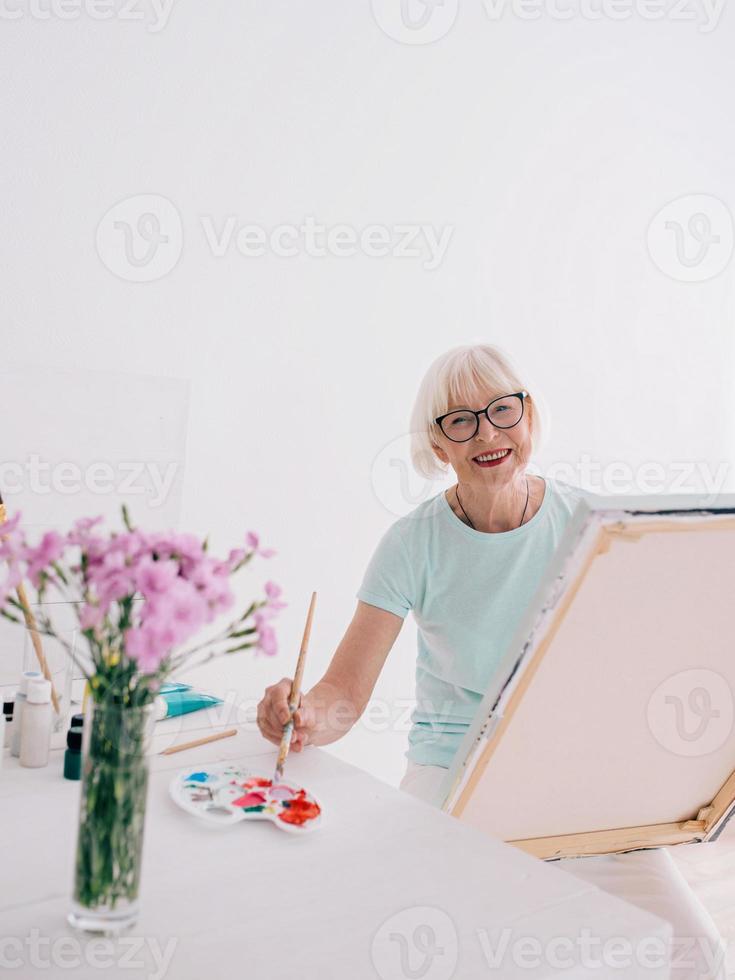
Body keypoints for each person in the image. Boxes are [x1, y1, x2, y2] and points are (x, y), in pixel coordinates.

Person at [257, 343, 727, 979]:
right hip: (451, 768)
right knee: (432, 938)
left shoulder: (592, 524)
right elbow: (344, 692)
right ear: (438, 444)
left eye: (503, 411)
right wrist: (304, 714)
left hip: (571, 770)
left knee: (693, 948)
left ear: (528, 417)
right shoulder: (411, 543)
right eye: (461, 420)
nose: (488, 433)